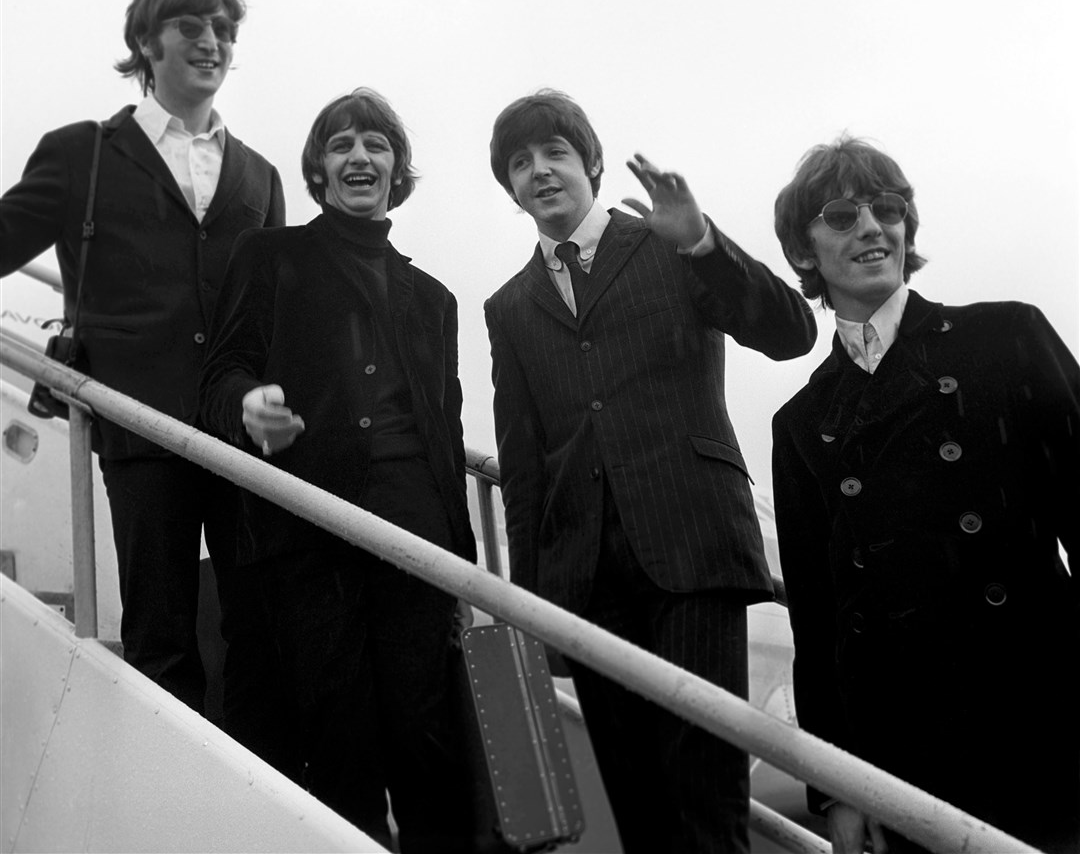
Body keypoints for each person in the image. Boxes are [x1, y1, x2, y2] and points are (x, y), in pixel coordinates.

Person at [484, 89, 817, 854]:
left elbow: (792, 333)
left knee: (706, 807)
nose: (540, 172)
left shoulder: (670, 244)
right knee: (640, 815)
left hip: (693, 552)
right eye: (520, 163)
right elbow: (526, 467)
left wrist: (703, 241)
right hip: (589, 579)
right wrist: (539, 610)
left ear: (592, 163)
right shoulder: (508, 307)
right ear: (510, 189)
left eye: (555, 153)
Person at [0, 0, 285, 739]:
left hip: (241, 438)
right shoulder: (79, 154)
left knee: (255, 635)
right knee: (161, 638)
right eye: (190, 27)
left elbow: (278, 309)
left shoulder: (259, 175)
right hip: (136, 427)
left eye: (224, 30)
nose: (211, 43)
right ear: (146, 43)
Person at [771, 135, 1079, 854]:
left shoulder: (1007, 336)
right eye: (843, 215)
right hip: (903, 748)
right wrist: (836, 785)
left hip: (1040, 710)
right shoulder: (802, 424)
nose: (872, 227)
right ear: (806, 253)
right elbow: (818, 625)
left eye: (887, 208)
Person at [199, 88, 477, 852]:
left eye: (377, 144)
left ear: (397, 169)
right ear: (319, 171)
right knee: (335, 736)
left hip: (415, 535)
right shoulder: (269, 255)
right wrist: (248, 407)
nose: (360, 157)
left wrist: (463, 568)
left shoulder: (435, 298)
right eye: (342, 144)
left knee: (428, 742)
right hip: (306, 530)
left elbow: (445, 438)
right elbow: (221, 372)